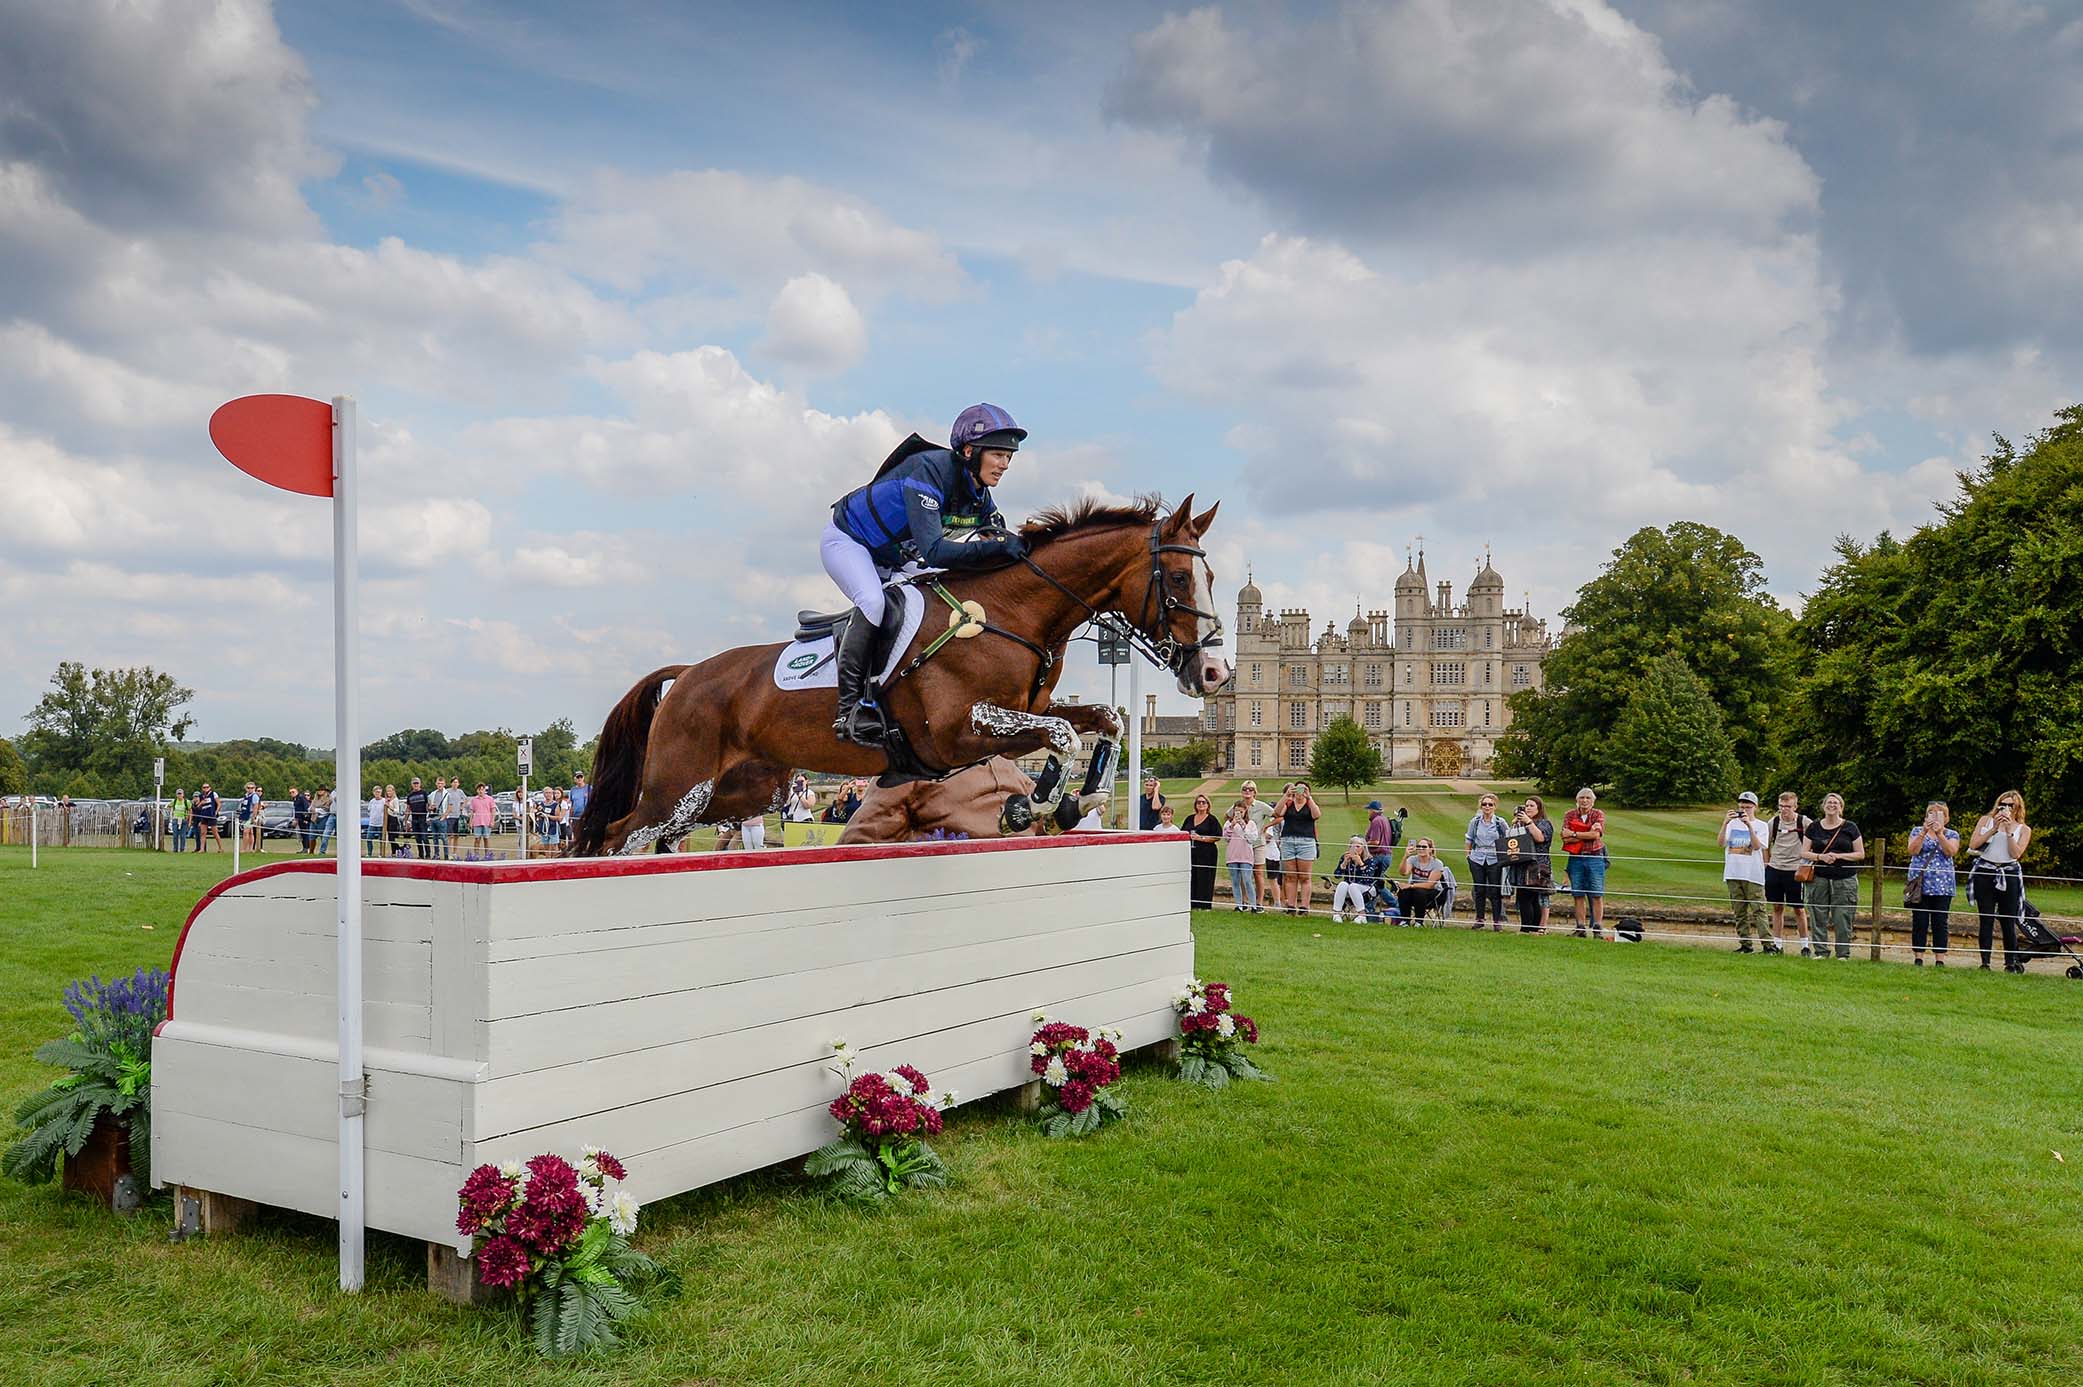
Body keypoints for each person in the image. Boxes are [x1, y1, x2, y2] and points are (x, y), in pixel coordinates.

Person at [823, 404, 1031, 743]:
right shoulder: (928, 473)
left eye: (1009, 456)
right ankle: (849, 710)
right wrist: (994, 548)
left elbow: (996, 537)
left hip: (894, 555)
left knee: (940, 596)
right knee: (874, 602)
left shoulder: (978, 494)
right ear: (969, 451)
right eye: (997, 454)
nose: (1005, 464)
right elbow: (936, 551)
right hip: (848, 542)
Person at [1968, 790, 2031, 972]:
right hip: (1985, 872)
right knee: (1986, 918)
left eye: (2011, 805)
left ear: (2017, 807)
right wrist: (1994, 829)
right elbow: (1973, 845)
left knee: (2008, 920)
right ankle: (1985, 962)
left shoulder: (2023, 829)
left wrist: (2010, 832)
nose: (2006, 809)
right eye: (2003, 804)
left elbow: (2016, 854)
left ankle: (2010, 962)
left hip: (2008, 873)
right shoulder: (1985, 821)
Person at [1800, 792, 1865, 960]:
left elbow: (1860, 853)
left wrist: (1839, 856)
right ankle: (1821, 952)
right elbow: (1804, 852)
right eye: (1829, 802)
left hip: (1844, 879)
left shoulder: (1850, 827)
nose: (1832, 805)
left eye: (1836, 803)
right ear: (1823, 806)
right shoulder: (1814, 827)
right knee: (1817, 914)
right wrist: (1821, 857)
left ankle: (1843, 954)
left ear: (1841, 807)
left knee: (1843, 917)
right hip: (1819, 877)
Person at [1720, 791, 1779, 954]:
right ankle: (1745, 944)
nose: (1744, 809)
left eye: (1748, 806)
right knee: (1739, 911)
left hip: (1752, 874)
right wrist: (1725, 823)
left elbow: (1757, 846)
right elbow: (1720, 843)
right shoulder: (1732, 824)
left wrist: (1749, 826)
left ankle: (1768, 945)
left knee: (1759, 910)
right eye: (1742, 806)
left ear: (1755, 807)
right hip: (1733, 872)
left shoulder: (1761, 825)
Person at [1905, 800, 1960, 967]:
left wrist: (1940, 834)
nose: (1935, 817)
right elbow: (1912, 850)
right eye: (1932, 813)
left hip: (1943, 886)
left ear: (1946, 818)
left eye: (1939, 814)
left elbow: (1950, 852)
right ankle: (1918, 957)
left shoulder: (1952, 834)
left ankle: (1940, 959)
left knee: (1940, 922)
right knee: (1919, 921)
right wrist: (1923, 832)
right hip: (1920, 885)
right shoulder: (1916, 831)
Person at [1764, 792, 1811, 952]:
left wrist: (1806, 862)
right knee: (1777, 907)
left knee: (1799, 908)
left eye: (1788, 806)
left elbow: (1813, 841)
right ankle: (1777, 944)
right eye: (1781, 806)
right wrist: (1767, 863)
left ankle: (1805, 945)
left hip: (1795, 870)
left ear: (1795, 806)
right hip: (1775, 868)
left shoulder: (1804, 822)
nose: (1784, 810)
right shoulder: (1774, 821)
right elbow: (1766, 844)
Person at [1561, 788, 1607, 937]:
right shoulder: (1570, 814)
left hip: (1594, 857)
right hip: (1576, 857)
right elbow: (1565, 837)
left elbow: (1595, 835)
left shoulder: (1598, 814)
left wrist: (1575, 833)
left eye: (1588, 798)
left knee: (1597, 893)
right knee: (1578, 893)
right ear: (1577, 800)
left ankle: (1597, 928)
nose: (1584, 801)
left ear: (1593, 801)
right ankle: (1580, 928)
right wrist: (1587, 833)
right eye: (1582, 798)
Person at [1503, 795, 1553, 933]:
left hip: (1536, 866)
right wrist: (1516, 824)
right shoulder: (1522, 823)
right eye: (1526, 805)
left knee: (1528, 897)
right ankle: (1532, 929)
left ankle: (1526, 929)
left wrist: (1529, 822)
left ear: (1539, 808)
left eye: (1532, 805)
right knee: (1527, 898)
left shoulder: (1544, 823)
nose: (1528, 808)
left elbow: (1540, 838)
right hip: (1521, 864)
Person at [1464, 792, 1509, 930]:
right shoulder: (1475, 822)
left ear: (1495, 806)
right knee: (1479, 890)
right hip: (1477, 857)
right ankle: (1479, 919)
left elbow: (1508, 838)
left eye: (1490, 804)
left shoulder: (1500, 822)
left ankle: (1497, 921)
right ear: (1481, 806)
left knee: (1495, 891)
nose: (1487, 807)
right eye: (1484, 804)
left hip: (1494, 858)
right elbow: (1469, 838)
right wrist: (1468, 855)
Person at [1276, 782, 1322, 916]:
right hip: (1288, 840)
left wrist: (1309, 798)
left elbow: (1316, 815)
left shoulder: (1309, 804)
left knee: (1305, 877)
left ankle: (1304, 907)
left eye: (1303, 789)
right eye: (1298, 788)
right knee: (1290, 876)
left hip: (1306, 841)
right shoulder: (1289, 803)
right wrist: (1286, 795)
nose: (1300, 792)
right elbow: (1278, 812)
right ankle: (1291, 906)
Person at [1237, 780, 1275, 908]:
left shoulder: (1261, 806)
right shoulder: (1238, 805)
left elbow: (1278, 816)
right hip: (1243, 845)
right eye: (1245, 789)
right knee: (1244, 873)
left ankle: (1259, 902)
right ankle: (1245, 901)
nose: (1247, 792)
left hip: (1258, 843)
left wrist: (1266, 827)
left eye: (1250, 789)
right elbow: (1227, 816)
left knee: (1258, 873)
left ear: (1255, 792)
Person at [1183, 793, 1222, 909]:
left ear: (1208, 805)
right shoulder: (1190, 818)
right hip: (1192, 852)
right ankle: (1193, 903)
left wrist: (1201, 838)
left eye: (1203, 802)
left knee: (1205, 877)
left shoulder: (1211, 819)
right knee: (1193, 876)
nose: (1201, 804)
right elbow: (1183, 832)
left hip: (1207, 853)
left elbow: (1217, 836)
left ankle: (1204, 905)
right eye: (1198, 802)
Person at [1221, 803, 1261, 912]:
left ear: (1245, 812)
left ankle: (1253, 905)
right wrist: (1232, 825)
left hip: (1246, 856)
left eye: (1241, 812)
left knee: (1247, 880)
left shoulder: (1251, 824)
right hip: (1232, 855)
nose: (1238, 814)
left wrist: (1244, 826)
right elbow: (1225, 837)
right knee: (1235, 880)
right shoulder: (1228, 823)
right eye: (1236, 811)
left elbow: (1252, 839)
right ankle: (1239, 905)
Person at [1398, 837, 1447, 920]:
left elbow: (1430, 885)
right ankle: (1405, 920)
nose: (1421, 849)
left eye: (1424, 847)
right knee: (1404, 892)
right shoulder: (1413, 859)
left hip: (1434, 893)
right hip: (1415, 890)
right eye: (1418, 846)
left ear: (1430, 849)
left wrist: (1411, 886)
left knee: (1419, 892)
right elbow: (1403, 872)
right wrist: (1405, 857)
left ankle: (1419, 921)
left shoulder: (1437, 863)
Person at [1330, 836, 1371, 923]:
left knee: (1353, 886)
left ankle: (1362, 915)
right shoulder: (1345, 857)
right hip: (1349, 886)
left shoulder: (1369, 859)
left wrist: (1360, 863)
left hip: (1366, 887)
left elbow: (1368, 878)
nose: (1355, 849)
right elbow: (1337, 875)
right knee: (1342, 884)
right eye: (1352, 846)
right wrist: (1344, 863)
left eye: (1358, 846)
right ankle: (1336, 914)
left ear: (1364, 848)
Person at [468, 783, 496, 860]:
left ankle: (487, 856)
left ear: (484, 790)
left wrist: (492, 821)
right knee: (477, 839)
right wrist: (470, 822)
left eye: (482, 789)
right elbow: (471, 812)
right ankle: (476, 855)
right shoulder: (473, 800)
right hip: (477, 822)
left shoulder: (490, 799)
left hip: (487, 822)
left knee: (486, 839)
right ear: (477, 790)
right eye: (479, 789)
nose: (481, 791)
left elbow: (493, 810)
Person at [406, 777, 431, 859]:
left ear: (420, 784)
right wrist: (405, 819)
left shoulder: (424, 793)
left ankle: (428, 854)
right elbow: (408, 808)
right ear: (412, 785)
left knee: (424, 837)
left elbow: (428, 805)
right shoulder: (410, 795)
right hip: (414, 818)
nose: (416, 785)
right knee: (417, 838)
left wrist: (429, 814)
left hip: (423, 817)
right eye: (414, 783)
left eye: (417, 783)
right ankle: (421, 855)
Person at [441, 777, 466, 860]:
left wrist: (462, 806)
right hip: (450, 816)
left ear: (458, 784)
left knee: (456, 836)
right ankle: (448, 852)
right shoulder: (447, 791)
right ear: (451, 783)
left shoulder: (460, 792)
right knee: (449, 836)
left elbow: (465, 799)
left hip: (457, 816)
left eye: (456, 782)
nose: (455, 784)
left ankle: (454, 852)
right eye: (454, 782)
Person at [193, 782, 220, 851]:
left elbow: (219, 804)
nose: (205, 789)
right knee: (203, 833)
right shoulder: (201, 796)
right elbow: (197, 807)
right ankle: (202, 849)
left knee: (215, 832)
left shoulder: (213, 794)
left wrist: (216, 812)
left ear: (209, 788)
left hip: (211, 816)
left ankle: (220, 847)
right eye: (204, 787)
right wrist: (201, 803)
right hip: (203, 816)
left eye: (207, 787)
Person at [312, 787, 334, 856]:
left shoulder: (329, 798)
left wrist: (315, 810)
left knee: (323, 835)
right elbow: (311, 807)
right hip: (317, 818)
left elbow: (326, 809)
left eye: (321, 790)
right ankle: (321, 852)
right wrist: (314, 809)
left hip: (324, 818)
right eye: (318, 790)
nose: (320, 791)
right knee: (323, 835)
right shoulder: (315, 798)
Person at [168, 789, 191, 853]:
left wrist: (189, 820)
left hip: (183, 820)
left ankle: (182, 849)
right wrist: (171, 811)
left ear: (183, 794)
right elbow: (168, 806)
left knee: (183, 836)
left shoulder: (187, 802)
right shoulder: (174, 801)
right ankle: (175, 849)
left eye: (180, 794)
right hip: (175, 819)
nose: (179, 795)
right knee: (175, 835)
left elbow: (190, 811)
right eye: (178, 794)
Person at [291, 785, 311, 853]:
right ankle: (304, 848)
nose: (292, 794)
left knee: (305, 834)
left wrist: (306, 818)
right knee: (301, 834)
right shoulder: (295, 799)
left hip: (303, 819)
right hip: (299, 819)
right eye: (290, 792)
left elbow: (306, 808)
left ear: (297, 791)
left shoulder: (301, 798)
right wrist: (295, 819)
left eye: (293, 792)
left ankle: (306, 848)